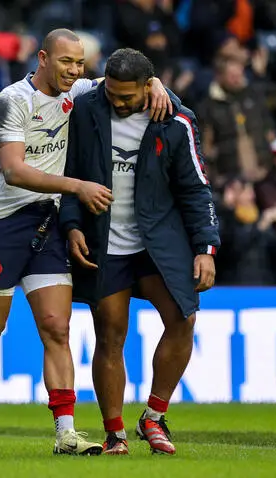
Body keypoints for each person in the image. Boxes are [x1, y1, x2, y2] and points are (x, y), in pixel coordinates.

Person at [0, 28, 172, 456]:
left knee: (57, 328)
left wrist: (157, 83)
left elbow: (128, 79)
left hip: (49, 225)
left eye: (79, 63)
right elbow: (14, 170)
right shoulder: (11, 102)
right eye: (66, 62)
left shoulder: (83, 90)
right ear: (42, 58)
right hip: (1, 225)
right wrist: (77, 186)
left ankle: (65, 432)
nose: (75, 70)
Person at [59, 48, 219, 455]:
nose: (118, 102)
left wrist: (205, 248)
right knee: (110, 335)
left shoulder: (176, 120)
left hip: (158, 241)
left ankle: (154, 417)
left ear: (149, 87)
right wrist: (73, 224)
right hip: (104, 242)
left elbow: (195, 188)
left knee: (183, 319)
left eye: (127, 96)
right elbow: (70, 170)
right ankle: (115, 434)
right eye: (112, 93)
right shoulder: (85, 109)